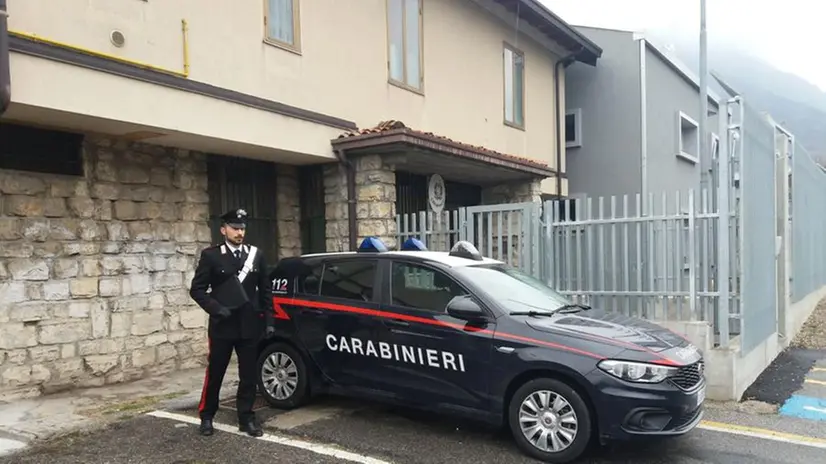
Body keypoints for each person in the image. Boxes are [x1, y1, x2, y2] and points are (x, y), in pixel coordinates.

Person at [189, 208, 275, 437]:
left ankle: (246, 418)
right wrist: (216, 309)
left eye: (242, 228)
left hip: (249, 324)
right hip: (222, 325)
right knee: (216, 372)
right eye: (235, 228)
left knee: (248, 375)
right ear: (223, 229)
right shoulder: (212, 256)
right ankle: (207, 416)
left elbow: (266, 291)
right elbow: (197, 290)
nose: (239, 232)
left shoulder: (256, 255)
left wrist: (269, 322)